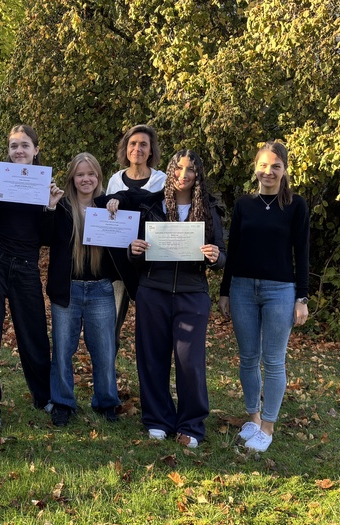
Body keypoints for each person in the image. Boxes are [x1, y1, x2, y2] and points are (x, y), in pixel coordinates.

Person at [115, 149, 225, 449]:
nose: (183, 175)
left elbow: (222, 254)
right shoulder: (152, 204)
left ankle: (191, 424)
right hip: (153, 291)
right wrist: (133, 251)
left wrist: (216, 257)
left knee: (190, 362)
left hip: (192, 293)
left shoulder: (210, 207)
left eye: (190, 169)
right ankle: (157, 419)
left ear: (198, 175)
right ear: (170, 170)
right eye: (178, 168)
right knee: (152, 357)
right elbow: (136, 251)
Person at [219, 140, 310, 453]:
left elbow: (302, 253)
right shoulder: (244, 205)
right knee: (248, 358)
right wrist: (224, 291)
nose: (268, 171)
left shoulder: (296, 206)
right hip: (242, 289)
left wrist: (302, 298)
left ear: (284, 170)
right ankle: (253, 419)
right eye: (263, 165)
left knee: (273, 361)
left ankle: (268, 427)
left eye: (275, 166)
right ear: (255, 168)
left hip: (280, 291)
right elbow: (233, 250)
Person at [0, 125, 63, 428]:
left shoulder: (45, 185)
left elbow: (47, 238)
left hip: (27, 266)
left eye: (25, 145)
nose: (19, 151)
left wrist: (51, 208)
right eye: (14, 146)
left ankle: (44, 396)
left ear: (36, 150)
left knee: (34, 334)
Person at [44, 152, 121, 427]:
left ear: (98, 177)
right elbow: (44, 237)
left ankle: (106, 401)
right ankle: (63, 402)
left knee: (104, 351)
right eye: (80, 174)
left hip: (100, 289)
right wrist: (50, 208)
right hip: (68, 289)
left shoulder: (108, 206)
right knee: (62, 350)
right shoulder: (62, 206)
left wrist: (119, 205)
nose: (85, 179)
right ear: (72, 178)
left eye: (91, 174)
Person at [105, 124, 167, 351]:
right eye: (132, 143)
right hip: (118, 266)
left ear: (151, 150)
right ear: (126, 148)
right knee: (110, 327)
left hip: (151, 264)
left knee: (151, 329)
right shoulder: (115, 180)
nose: (137, 149)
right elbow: (106, 222)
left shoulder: (162, 181)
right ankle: (108, 371)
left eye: (143, 144)